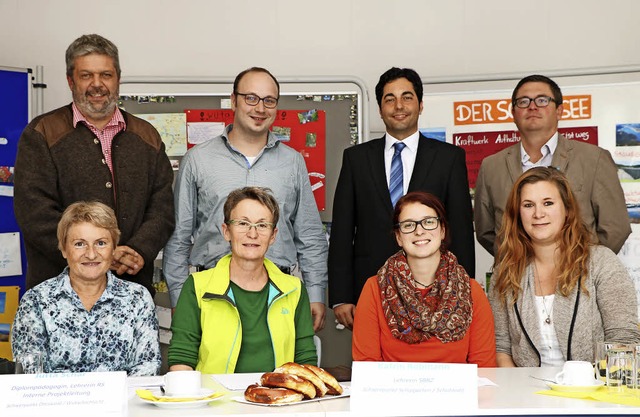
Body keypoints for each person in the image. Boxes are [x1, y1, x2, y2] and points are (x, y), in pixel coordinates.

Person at [163, 67, 328, 331]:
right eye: (251, 98)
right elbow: (179, 235)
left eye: (269, 100)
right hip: (212, 292)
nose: (260, 108)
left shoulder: (292, 162)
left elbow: (309, 234)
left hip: (279, 293)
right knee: (214, 369)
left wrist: (316, 292)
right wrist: (179, 296)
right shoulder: (198, 160)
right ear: (233, 100)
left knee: (277, 371)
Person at [13, 34, 174, 295]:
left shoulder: (147, 136)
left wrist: (137, 250)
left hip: (129, 292)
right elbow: (34, 212)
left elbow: (162, 207)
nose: (97, 84)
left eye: (106, 75)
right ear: (70, 80)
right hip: (59, 297)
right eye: (86, 75)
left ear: (118, 79)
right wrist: (97, 253)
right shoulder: (41, 133)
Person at [329, 67, 475, 330]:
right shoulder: (356, 159)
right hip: (369, 288)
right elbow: (342, 231)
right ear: (380, 107)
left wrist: (465, 291)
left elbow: (461, 230)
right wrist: (340, 296)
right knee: (373, 365)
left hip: (436, 290)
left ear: (420, 105)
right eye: (389, 98)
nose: (399, 105)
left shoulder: (448, 158)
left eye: (407, 97)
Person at [489, 167, 640, 367]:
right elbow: (501, 348)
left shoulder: (602, 262)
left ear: (567, 210)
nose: (538, 213)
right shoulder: (505, 271)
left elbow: (623, 340)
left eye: (548, 203)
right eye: (528, 205)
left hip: (595, 392)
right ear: (517, 214)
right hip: (526, 394)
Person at [475, 74, 630, 256]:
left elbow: (615, 228)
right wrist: (517, 263)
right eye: (523, 101)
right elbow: (486, 232)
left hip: (579, 278)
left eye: (542, 100)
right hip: (516, 279)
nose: (532, 106)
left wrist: (585, 269)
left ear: (559, 111)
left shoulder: (594, 159)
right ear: (513, 112)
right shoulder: (492, 166)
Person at [168, 187, 317, 373]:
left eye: (262, 225)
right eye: (242, 223)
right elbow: (182, 358)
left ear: (273, 236)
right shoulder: (198, 286)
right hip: (215, 399)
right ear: (226, 231)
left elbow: (306, 360)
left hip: (278, 398)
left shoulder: (293, 289)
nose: (252, 234)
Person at [11, 201, 161, 375]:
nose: (91, 254)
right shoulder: (36, 301)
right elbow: (31, 372)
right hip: (56, 402)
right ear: (64, 249)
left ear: (113, 249)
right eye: (79, 244)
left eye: (101, 243)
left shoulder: (138, 298)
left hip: (123, 401)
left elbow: (148, 366)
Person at [352, 191, 495, 366]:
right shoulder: (375, 288)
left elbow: (484, 367)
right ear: (398, 236)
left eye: (428, 222)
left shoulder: (472, 291)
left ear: (442, 230)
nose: (419, 231)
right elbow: (367, 367)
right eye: (408, 225)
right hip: (394, 392)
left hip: (456, 393)